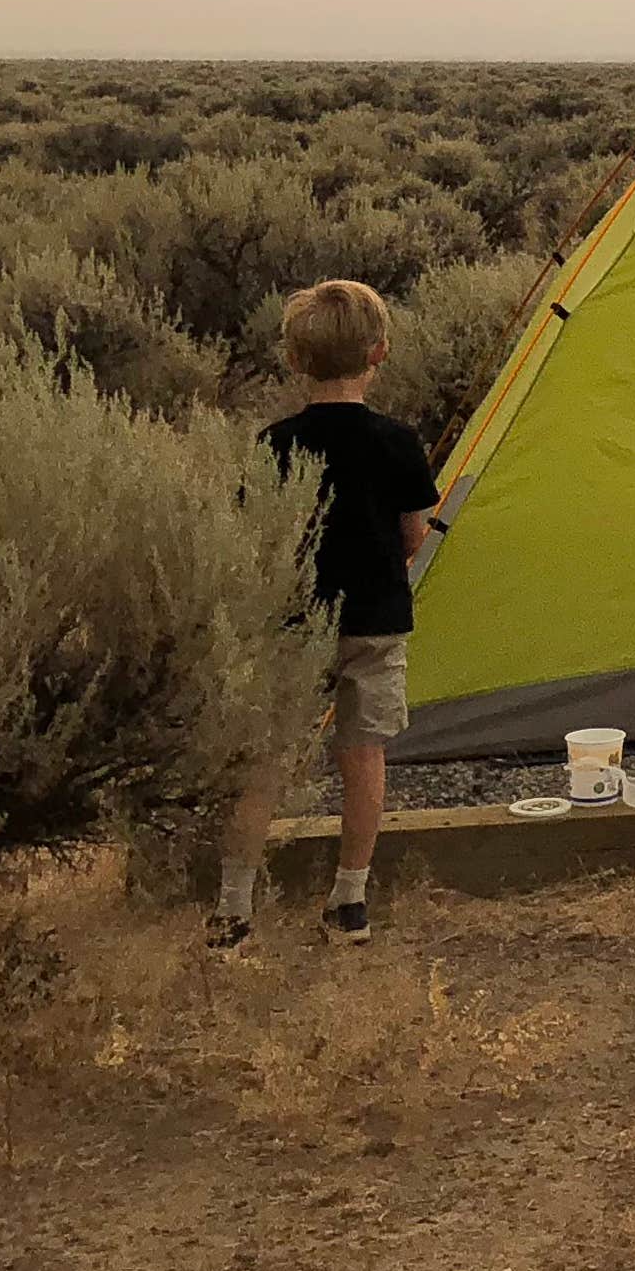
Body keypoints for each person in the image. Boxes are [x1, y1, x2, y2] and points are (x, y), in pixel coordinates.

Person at [210, 279, 441, 949]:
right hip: (376, 622)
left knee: (267, 760)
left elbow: (259, 534)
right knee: (363, 754)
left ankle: (233, 904)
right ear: (380, 351)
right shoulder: (398, 442)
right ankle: (349, 899)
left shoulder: (274, 442)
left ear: (293, 360)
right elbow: (414, 533)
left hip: (294, 623)